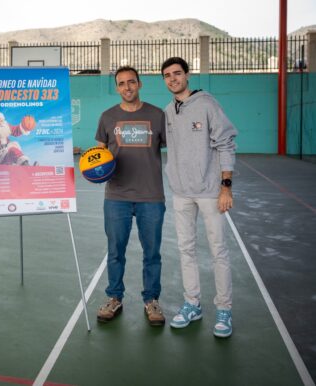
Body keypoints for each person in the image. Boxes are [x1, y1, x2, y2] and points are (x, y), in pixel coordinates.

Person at [160, 57, 237, 338]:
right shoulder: (168, 111)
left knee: (218, 251)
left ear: (187, 75)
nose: (172, 79)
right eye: (167, 75)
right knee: (186, 250)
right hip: (182, 193)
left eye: (177, 74)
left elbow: (226, 142)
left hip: (209, 192)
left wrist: (225, 186)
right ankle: (193, 304)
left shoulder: (206, 104)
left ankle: (224, 310)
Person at [95, 66, 167, 326]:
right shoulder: (107, 117)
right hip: (116, 196)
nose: (127, 87)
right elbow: (99, 154)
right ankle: (114, 297)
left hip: (151, 196)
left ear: (139, 84)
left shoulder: (157, 115)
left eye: (131, 82)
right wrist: (95, 171)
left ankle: (151, 300)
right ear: (117, 87)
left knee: (152, 253)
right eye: (122, 83)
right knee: (115, 251)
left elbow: (175, 149)